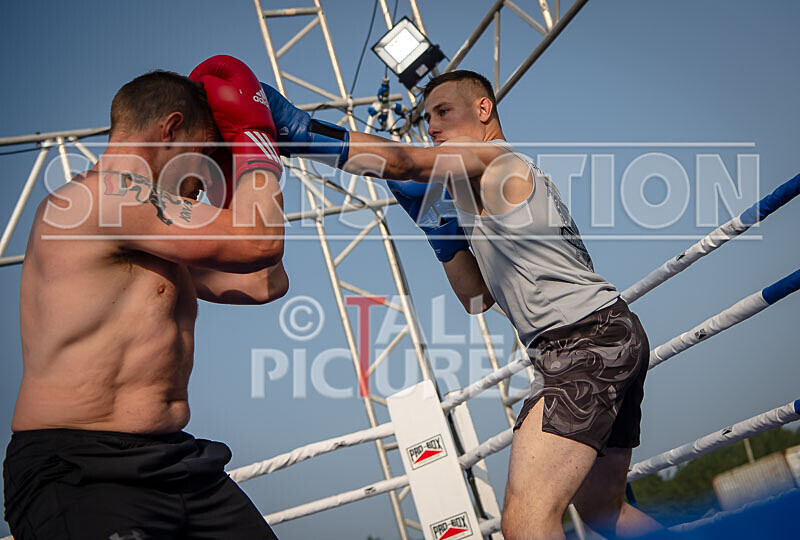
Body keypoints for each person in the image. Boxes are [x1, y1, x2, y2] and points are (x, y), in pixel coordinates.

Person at [261, 70, 664, 538]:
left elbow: (404, 162)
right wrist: (442, 234)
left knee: (526, 520)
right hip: (596, 338)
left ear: (483, 110)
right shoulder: (487, 185)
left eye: (443, 112)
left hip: (583, 345)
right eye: (428, 116)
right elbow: (477, 297)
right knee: (600, 509)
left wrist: (306, 134)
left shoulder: (489, 157)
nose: (431, 125)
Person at [4, 57, 287, 539]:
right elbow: (259, 241)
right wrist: (256, 146)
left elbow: (265, 280)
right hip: (80, 470)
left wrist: (239, 166)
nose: (205, 180)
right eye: (203, 154)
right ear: (171, 130)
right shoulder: (100, 198)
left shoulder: (155, 229)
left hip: (176, 461)